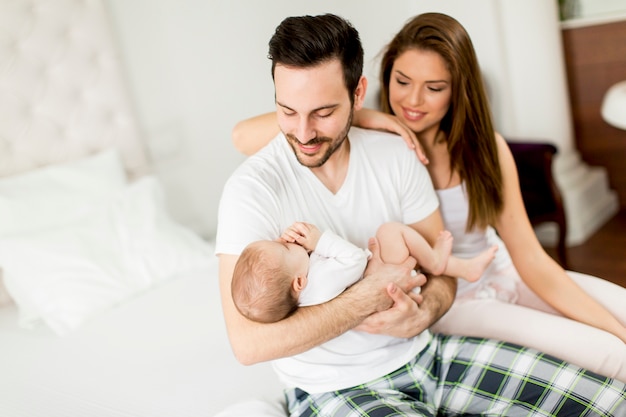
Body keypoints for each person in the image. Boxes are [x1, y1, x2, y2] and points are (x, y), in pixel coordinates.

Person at [217, 13, 626, 416]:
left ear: (358, 95)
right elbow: (249, 345)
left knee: (611, 397)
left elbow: (446, 269)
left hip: (431, 347)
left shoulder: (398, 153)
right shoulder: (252, 190)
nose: (304, 132)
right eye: (287, 111)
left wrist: (424, 312)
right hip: (344, 383)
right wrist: (369, 296)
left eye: (323, 112)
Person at [232, 221, 497, 323]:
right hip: (390, 283)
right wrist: (319, 240)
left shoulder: (303, 291)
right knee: (389, 231)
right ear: (299, 282)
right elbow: (355, 260)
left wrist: (291, 252)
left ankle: (465, 268)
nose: (288, 243)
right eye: (287, 249)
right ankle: (438, 261)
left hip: (385, 282)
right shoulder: (320, 282)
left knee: (390, 242)